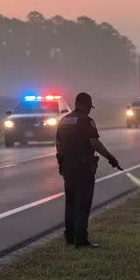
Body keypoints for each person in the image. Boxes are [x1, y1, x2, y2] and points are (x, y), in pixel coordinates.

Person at [55, 92, 121, 248]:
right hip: (83, 167)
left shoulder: (64, 120)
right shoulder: (87, 120)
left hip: (67, 168)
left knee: (70, 203)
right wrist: (111, 158)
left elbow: (58, 143)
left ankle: (70, 238)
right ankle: (81, 240)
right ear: (86, 105)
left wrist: (61, 162)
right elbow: (94, 142)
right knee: (83, 204)